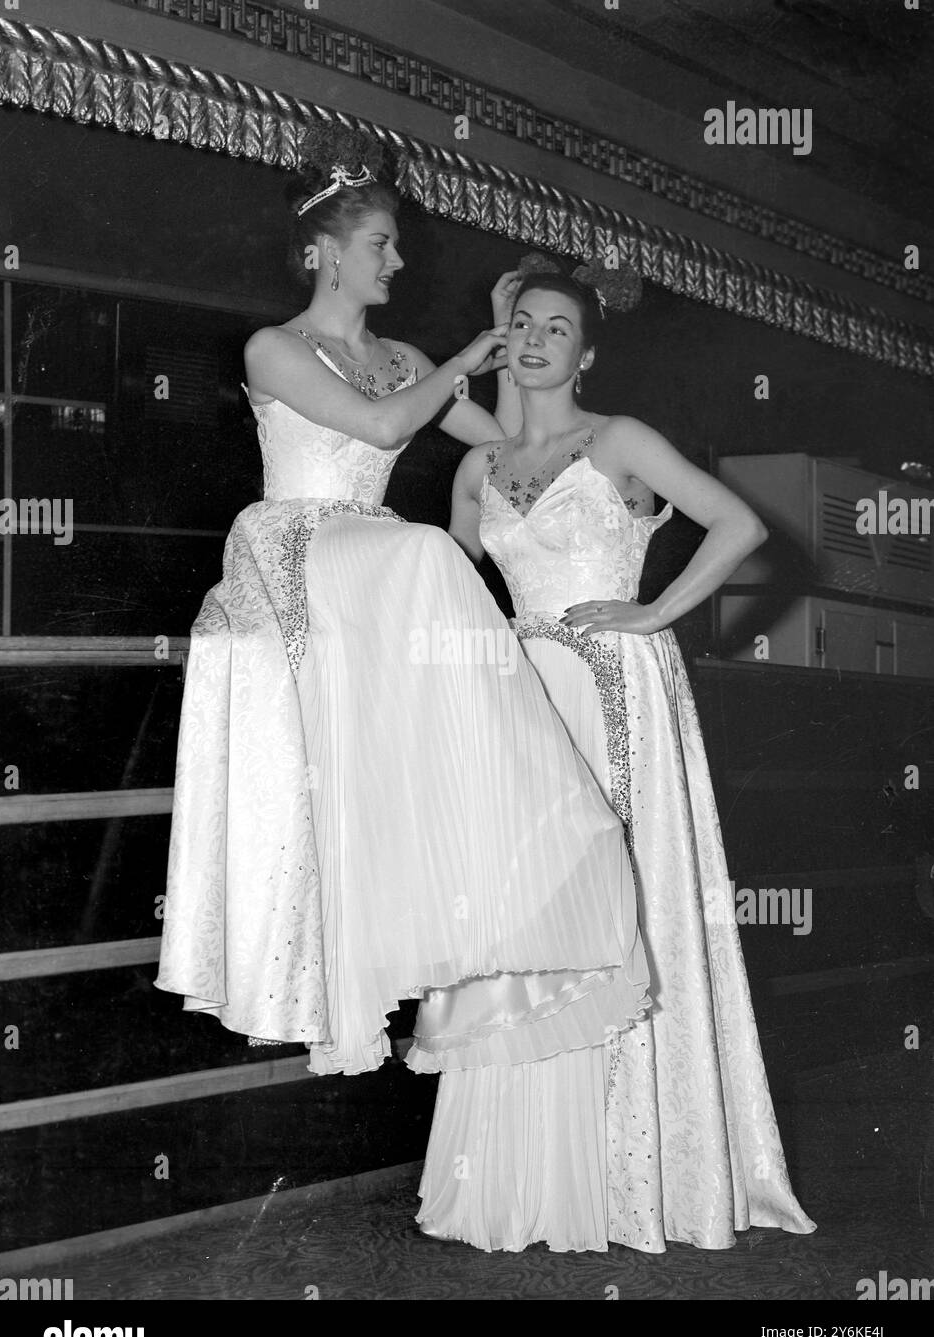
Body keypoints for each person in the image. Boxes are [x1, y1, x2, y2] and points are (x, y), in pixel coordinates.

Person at [155, 139, 649, 1090]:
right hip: (297, 544)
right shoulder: (275, 347)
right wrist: (467, 354)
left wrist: (506, 345)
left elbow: (508, 439)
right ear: (326, 254)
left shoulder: (405, 358)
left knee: (422, 557)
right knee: (427, 548)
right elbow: (383, 427)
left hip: (372, 557)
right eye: (381, 244)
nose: (397, 262)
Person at [418, 257, 816, 1252]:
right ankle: (529, 1176)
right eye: (523, 322)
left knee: (631, 902)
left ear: (586, 352)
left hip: (617, 691)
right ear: (502, 337)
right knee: (529, 916)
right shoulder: (478, 470)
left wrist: (651, 612)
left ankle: (643, 1173)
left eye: (558, 326)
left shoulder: (620, 440)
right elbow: (449, 584)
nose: (538, 337)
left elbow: (742, 525)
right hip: (521, 704)